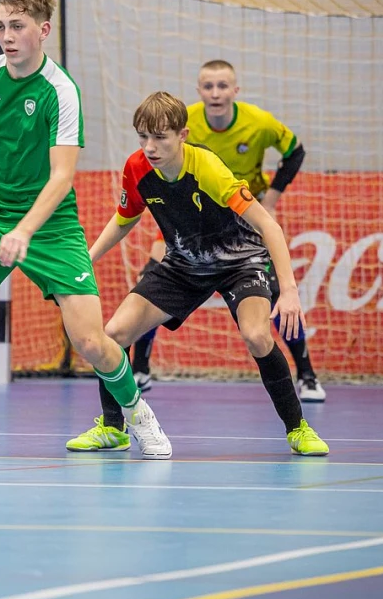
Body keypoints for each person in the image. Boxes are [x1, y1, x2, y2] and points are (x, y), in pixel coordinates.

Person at [0, 0, 170, 459]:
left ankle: (138, 416)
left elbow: (61, 178)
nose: (7, 36)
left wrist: (25, 231)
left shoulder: (60, 91)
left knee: (91, 341)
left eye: (18, 26)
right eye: (0, 26)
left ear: (43, 30)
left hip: (51, 227)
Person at [65, 92, 328, 457]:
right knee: (114, 333)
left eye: (160, 137)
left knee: (256, 335)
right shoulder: (137, 168)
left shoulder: (208, 168)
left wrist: (289, 290)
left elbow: (269, 226)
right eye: (143, 136)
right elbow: (124, 219)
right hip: (184, 265)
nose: (150, 146)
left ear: (183, 135)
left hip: (240, 261)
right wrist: (87, 258)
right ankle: (113, 428)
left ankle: (298, 428)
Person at [126, 59, 325, 403]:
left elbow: (295, 152)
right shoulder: (179, 123)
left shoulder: (259, 122)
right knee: (149, 281)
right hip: (189, 222)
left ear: (235, 91)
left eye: (222, 86)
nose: (215, 93)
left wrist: (270, 200)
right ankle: (140, 370)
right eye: (208, 87)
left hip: (242, 220)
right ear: (199, 91)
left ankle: (307, 375)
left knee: (276, 292)